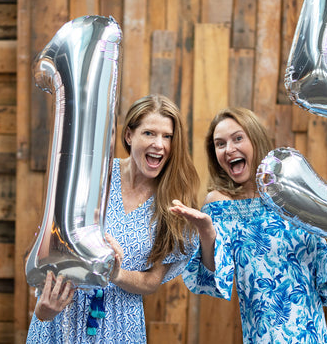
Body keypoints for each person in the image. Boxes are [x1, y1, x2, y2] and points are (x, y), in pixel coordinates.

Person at [170, 107, 327, 343]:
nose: (229, 149)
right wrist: (206, 229)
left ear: (256, 140)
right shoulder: (220, 204)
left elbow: (322, 281)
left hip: (311, 333)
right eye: (220, 144)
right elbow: (212, 275)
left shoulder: (293, 197)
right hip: (263, 335)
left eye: (238, 138)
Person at [27, 94, 200, 343]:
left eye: (167, 136)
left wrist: (116, 273)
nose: (159, 144)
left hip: (120, 325)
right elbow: (54, 248)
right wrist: (44, 307)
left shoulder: (172, 200)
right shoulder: (94, 177)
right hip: (65, 315)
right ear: (129, 135)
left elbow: (152, 280)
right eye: (149, 133)